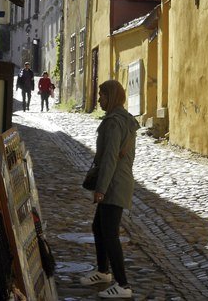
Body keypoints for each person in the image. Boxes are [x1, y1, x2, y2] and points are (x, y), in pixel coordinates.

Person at [80, 80, 139, 299]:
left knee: (111, 234)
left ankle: (123, 284)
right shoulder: (125, 119)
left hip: (114, 184)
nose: (99, 99)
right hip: (118, 181)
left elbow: (110, 159)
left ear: (111, 97)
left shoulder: (114, 123)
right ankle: (103, 272)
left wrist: (101, 189)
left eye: (102, 96)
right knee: (99, 228)